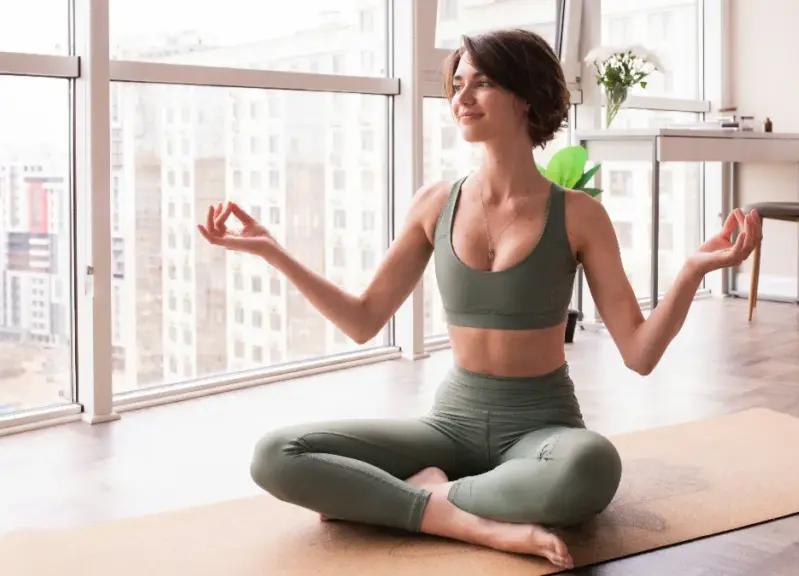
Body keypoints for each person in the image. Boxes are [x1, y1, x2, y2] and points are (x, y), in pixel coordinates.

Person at [197, 28, 761, 571]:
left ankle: (414, 499)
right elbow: (363, 319)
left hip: (541, 430)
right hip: (450, 426)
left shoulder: (579, 215)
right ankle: (468, 520)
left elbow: (639, 353)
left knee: (591, 466)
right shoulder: (435, 203)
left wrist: (692, 270)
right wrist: (273, 251)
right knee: (276, 454)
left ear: (526, 97)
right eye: (457, 84)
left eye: (482, 82)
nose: (461, 98)